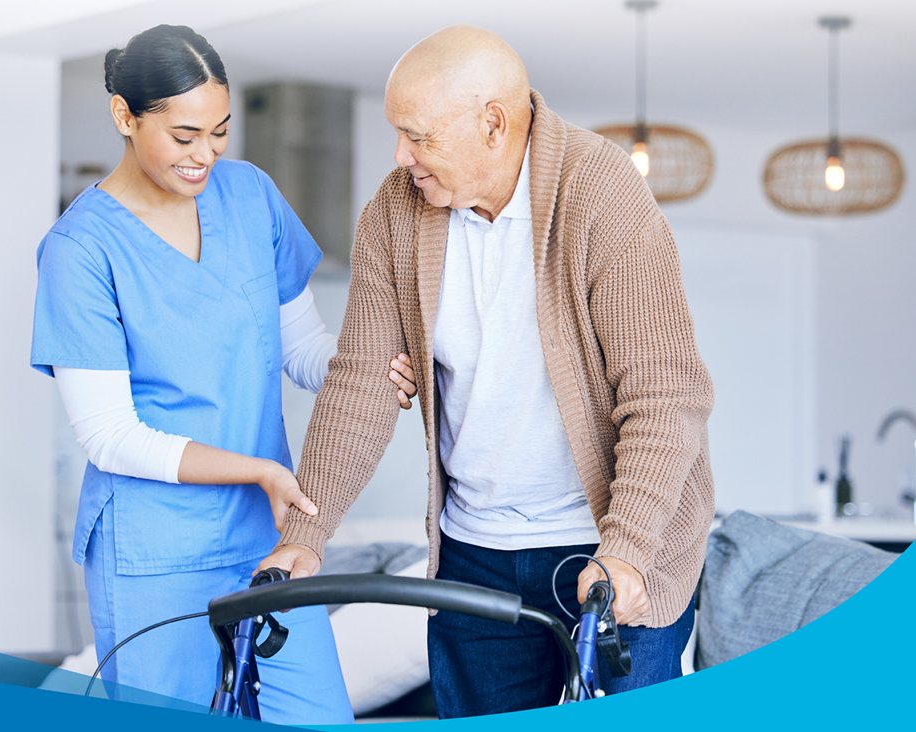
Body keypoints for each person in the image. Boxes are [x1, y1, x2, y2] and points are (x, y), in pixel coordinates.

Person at [258, 25, 715, 717]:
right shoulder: (394, 211)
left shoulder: (599, 192)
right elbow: (363, 380)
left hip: (616, 544)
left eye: (417, 135)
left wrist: (623, 551)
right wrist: (304, 538)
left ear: (492, 123)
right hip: (475, 553)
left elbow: (663, 396)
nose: (399, 155)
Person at [29, 25, 418, 724]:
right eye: (183, 136)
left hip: (268, 540)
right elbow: (109, 436)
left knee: (317, 715)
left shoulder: (249, 196)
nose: (204, 154)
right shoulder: (80, 249)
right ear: (124, 116)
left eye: (219, 131)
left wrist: (361, 372)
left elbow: (299, 349)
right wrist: (258, 471)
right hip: (153, 553)